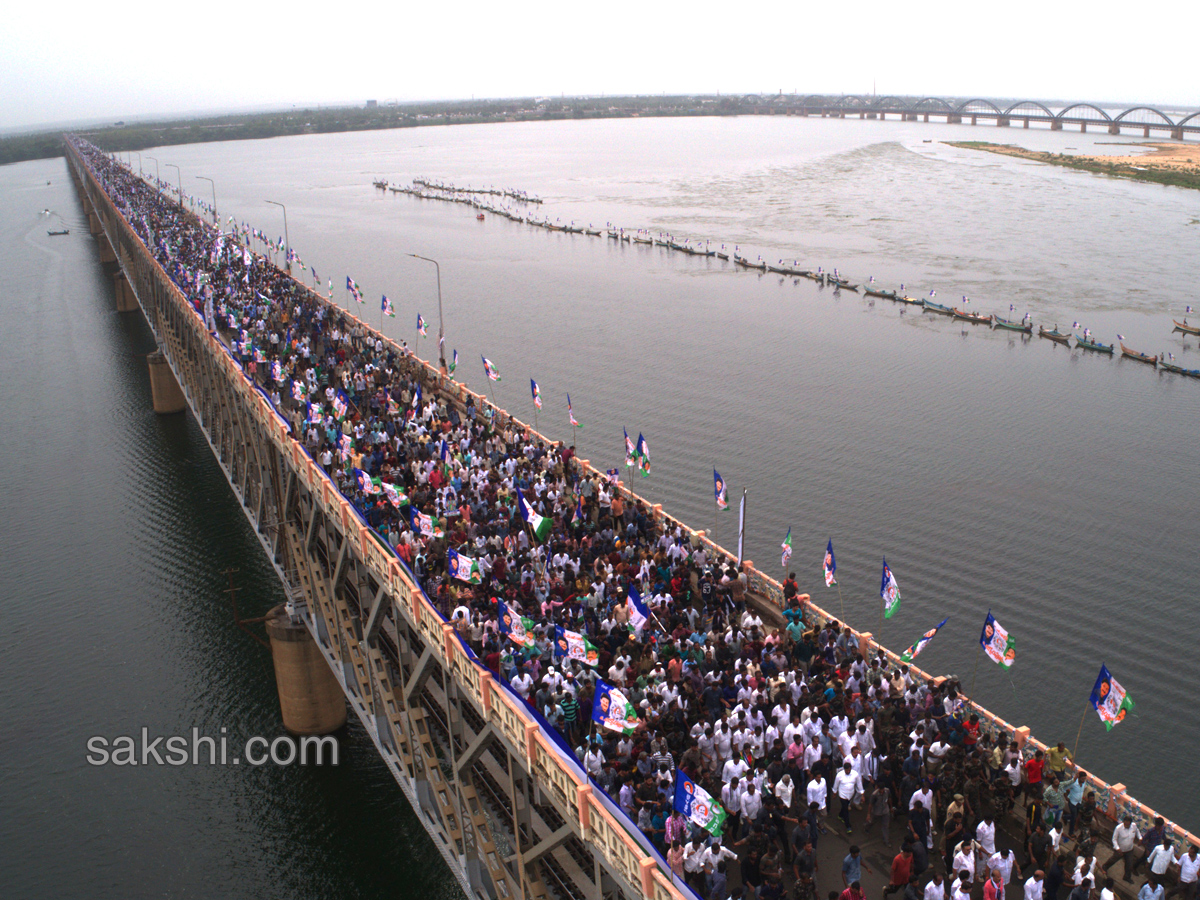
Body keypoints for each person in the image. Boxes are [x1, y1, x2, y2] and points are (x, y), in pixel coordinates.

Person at [1106, 816, 1142, 882]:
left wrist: (1140, 838)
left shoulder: (1134, 826)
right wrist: (1117, 848)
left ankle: (1127, 877)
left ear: (1130, 823)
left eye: (1128, 824)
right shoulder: (1118, 828)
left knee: (1129, 864)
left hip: (1130, 850)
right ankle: (1104, 868)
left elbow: (1137, 831)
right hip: (1120, 850)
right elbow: (1114, 839)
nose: (1126, 825)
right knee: (1112, 860)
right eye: (1125, 824)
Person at [834, 762, 864, 834]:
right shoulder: (839, 775)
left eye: (849, 770)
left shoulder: (855, 774)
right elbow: (836, 785)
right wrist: (834, 793)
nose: (848, 771)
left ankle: (840, 815)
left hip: (850, 795)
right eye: (846, 770)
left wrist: (862, 794)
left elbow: (859, 784)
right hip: (842, 795)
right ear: (844, 769)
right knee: (846, 810)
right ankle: (848, 826)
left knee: (845, 806)